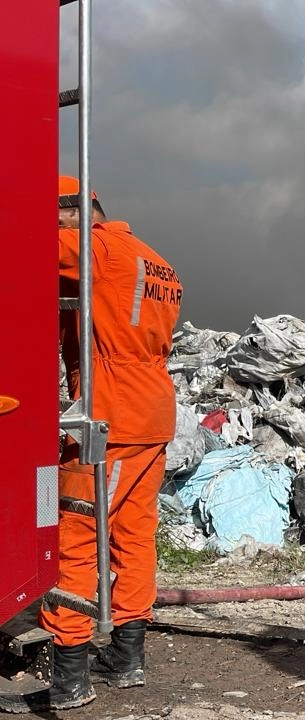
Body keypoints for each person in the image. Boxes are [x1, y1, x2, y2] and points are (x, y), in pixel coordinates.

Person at [13, 177, 182, 712]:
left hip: (112, 417)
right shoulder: (156, 262)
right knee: (134, 534)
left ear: (73, 215)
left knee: (77, 536)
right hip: (152, 414)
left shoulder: (98, 250)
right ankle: (126, 657)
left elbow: (21, 244)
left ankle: (70, 674)